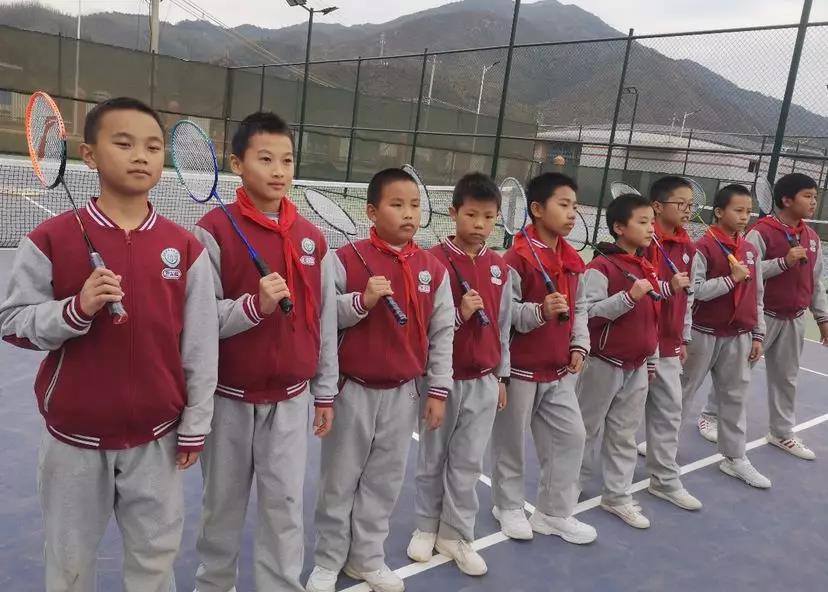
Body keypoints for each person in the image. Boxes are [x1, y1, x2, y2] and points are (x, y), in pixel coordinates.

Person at [0, 97, 218, 591]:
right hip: (73, 440)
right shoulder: (50, 239)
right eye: (124, 144)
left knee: (154, 565)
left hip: (157, 441)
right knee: (70, 564)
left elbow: (201, 348)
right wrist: (75, 310)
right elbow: (12, 322)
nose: (141, 156)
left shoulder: (186, 249)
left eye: (153, 147)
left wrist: (196, 424)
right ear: (89, 155)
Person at [192, 112, 338, 592]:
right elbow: (199, 322)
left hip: (291, 402)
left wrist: (324, 391)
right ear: (237, 164)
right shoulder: (212, 230)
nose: (279, 171)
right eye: (266, 159)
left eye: (287, 160)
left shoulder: (312, 239)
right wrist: (253, 307)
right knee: (221, 508)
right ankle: (214, 585)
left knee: (285, 508)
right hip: (229, 400)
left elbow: (322, 321)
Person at [307, 168, 454, 592]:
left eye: (415, 205)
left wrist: (437, 390)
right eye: (397, 204)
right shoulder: (344, 259)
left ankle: (366, 559)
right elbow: (324, 318)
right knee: (339, 481)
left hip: (403, 394)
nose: (408, 214)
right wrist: (362, 300)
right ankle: (328, 560)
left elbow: (443, 333)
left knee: (383, 484)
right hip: (352, 390)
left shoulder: (433, 269)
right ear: (372, 212)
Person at [406, 172, 511, 576]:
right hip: (441, 381)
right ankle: (425, 526)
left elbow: (503, 327)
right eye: (471, 214)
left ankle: (455, 534)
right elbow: (423, 330)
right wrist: (460, 315)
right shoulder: (431, 262)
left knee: (467, 462)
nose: (480, 224)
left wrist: (501, 377)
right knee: (433, 458)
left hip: (484, 380)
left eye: (488, 217)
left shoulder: (500, 268)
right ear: (453, 213)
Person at [490, 172, 597, 544]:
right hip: (519, 371)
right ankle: (507, 506)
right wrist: (539, 312)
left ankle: (553, 513)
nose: (572, 214)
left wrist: (579, 344)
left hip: (558, 371)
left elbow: (579, 308)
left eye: (574, 206)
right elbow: (506, 317)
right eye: (563, 205)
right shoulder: (515, 259)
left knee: (572, 436)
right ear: (536, 209)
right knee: (510, 444)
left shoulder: (572, 260)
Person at [698, 174, 828, 460]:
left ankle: (781, 432)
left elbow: (815, 280)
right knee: (737, 374)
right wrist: (784, 262)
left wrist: (822, 318)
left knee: (786, 378)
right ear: (786, 200)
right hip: (761, 317)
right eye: (808, 196)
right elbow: (749, 270)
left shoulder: (812, 237)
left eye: (815, 196)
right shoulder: (761, 232)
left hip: (794, 318)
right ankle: (710, 415)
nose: (813, 202)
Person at [577, 192, 660, 529]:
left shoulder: (646, 266)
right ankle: (567, 488)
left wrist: (651, 359)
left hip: (636, 366)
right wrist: (628, 297)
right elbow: (589, 314)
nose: (651, 228)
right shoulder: (600, 267)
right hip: (602, 363)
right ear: (619, 228)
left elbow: (652, 318)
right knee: (585, 429)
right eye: (643, 222)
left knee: (624, 434)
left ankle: (617, 496)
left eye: (652, 222)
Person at [682, 185, 770, 489]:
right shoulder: (702, 248)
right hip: (702, 334)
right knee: (682, 392)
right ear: (719, 212)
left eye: (749, 211)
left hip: (739, 336)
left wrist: (757, 333)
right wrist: (731, 280)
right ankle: (661, 445)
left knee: (734, 398)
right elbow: (695, 292)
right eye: (738, 210)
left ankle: (735, 458)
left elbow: (757, 295)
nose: (745, 217)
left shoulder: (750, 251)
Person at [636, 176, 700, 511]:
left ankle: (663, 480)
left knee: (669, 414)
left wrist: (683, 336)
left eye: (691, 205)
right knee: (609, 420)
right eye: (681, 204)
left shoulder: (689, 248)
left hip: (668, 347)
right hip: (633, 348)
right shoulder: (640, 242)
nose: (688, 210)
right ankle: (572, 481)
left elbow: (687, 297)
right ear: (658, 206)